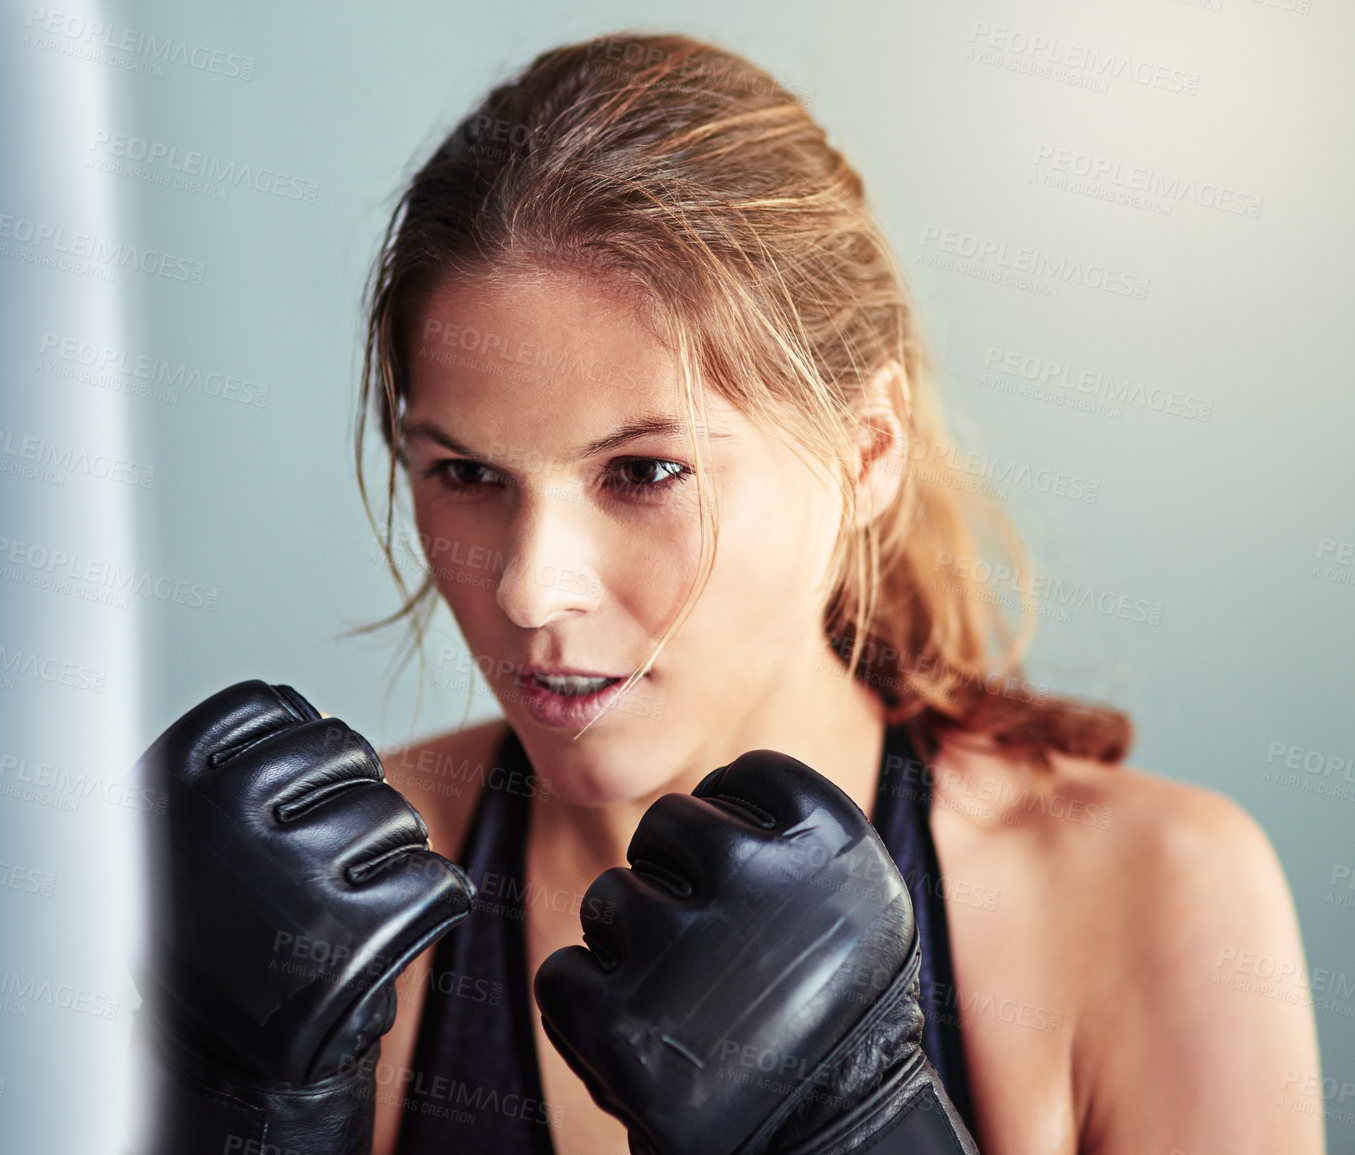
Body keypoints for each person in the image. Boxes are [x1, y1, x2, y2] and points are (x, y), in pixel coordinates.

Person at [134, 32, 1324, 1155]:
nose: (533, 587)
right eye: (465, 473)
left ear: (867, 451)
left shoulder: (1147, 901)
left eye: (645, 471)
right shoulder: (342, 904)